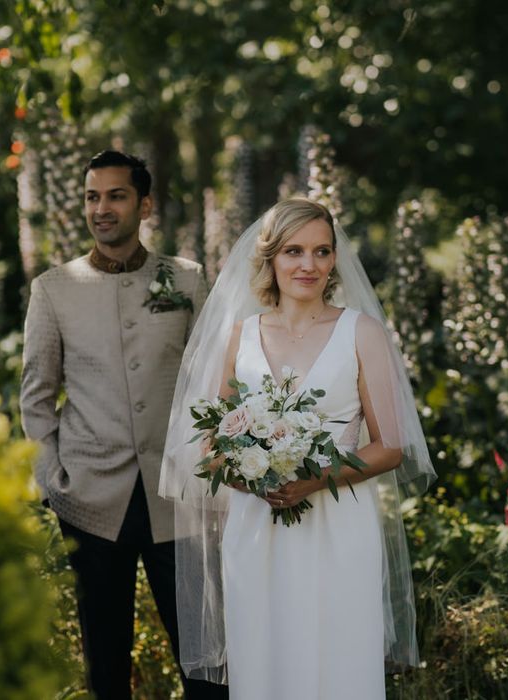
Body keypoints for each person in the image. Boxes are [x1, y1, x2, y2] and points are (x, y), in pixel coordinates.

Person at [159, 197, 436, 698]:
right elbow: (210, 447)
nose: (308, 265)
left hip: (339, 524)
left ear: (334, 260)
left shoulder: (362, 332)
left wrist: (311, 479)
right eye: (294, 251)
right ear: (270, 258)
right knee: (264, 661)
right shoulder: (238, 337)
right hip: (256, 525)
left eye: (321, 251)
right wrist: (255, 478)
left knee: (338, 661)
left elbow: (390, 446)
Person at [20, 150, 228, 700]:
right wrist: (52, 481)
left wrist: (213, 468)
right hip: (90, 499)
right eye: (93, 196)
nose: (102, 208)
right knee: (106, 669)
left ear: (144, 204)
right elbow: (36, 397)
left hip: (178, 495)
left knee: (206, 665)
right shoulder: (53, 289)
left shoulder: (185, 279)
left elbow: (212, 379)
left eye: (115, 195)